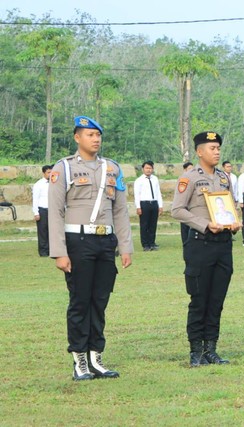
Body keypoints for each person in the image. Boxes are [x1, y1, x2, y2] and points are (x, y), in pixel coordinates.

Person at [48, 116, 133, 381]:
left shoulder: (112, 168)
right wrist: (59, 251)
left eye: (98, 135)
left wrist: (125, 245)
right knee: (80, 302)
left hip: (105, 242)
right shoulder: (64, 168)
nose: (95, 139)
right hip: (78, 242)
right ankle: (80, 361)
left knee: (100, 301)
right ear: (77, 137)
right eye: (89, 134)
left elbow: (120, 210)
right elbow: (55, 212)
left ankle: (97, 358)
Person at [171, 131, 242, 367]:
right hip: (199, 244)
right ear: (200, 151)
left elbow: (231, 205)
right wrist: (204, 224)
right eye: (212, 148)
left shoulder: (224, 178)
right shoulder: (189, 178)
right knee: (199, 298)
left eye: (218, 148)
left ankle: (211, 348)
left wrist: (236, 222)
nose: (217, 151)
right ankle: (195, 351)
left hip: (222, 244)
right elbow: (177, 210)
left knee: (217, 299)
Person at [134, 160, 163, 251]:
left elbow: (158, 193)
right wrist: (138, 207)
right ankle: (145, 244)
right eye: (147, 168)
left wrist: (160, 205)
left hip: (154, 203)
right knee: (144, 225)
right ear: (143, 169)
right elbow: (137, 194)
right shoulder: (139, 180)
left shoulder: (155, 179)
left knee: (153, 224)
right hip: (144, 204)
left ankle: (152, 243)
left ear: (152, 169)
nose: (148, 170)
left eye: (150, 168)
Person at [32, 164, 52, 256]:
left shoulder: (55, 183)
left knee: (52, 231)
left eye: (51, 172)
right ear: (44, 173)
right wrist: (36, 212)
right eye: (48, 172)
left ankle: (52, 250)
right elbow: (35, 199)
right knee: (42, 231)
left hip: (53, 210)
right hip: (42, 210)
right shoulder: (38, 184)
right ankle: (43, 251)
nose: (50, 174)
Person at [180, 162, 194, 245]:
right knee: (185, 225)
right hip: (184, 205)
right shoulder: (182, 180)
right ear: (185, 170)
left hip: (192, 205)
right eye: (189, 169)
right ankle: (185, 242)